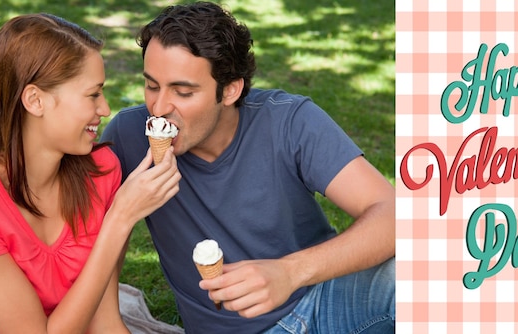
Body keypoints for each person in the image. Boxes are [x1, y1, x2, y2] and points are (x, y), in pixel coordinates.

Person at [101, 1, 395, 333]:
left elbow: (394, 213)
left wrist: (290, 272)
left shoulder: (290, 121)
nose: (159, 107)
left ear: (230, 90)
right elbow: (83, 238)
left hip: (325, 299)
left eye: (183, 92)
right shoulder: (128, 137)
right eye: (152, 85)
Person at [0, 13, 181, 333]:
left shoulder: (100, 173)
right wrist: (120, 218)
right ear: (35, 100)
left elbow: (104, 320)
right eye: (93, 94)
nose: (105, 109)